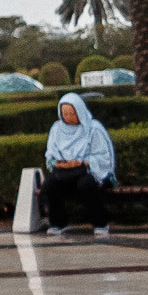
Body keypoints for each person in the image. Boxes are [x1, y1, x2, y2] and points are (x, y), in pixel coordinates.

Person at [43, 92, 115, 233]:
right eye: (65, 114)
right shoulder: (57, 129)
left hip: (89, 172)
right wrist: (58, 163)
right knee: (50, 184)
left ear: (80, 111)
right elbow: (51, 155)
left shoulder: (93, 128)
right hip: (65, 174)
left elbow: (103, 156)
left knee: (86, 184)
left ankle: (100, 224)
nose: (69, 118)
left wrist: (84, 163)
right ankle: (58, 223)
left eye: (72, 114)